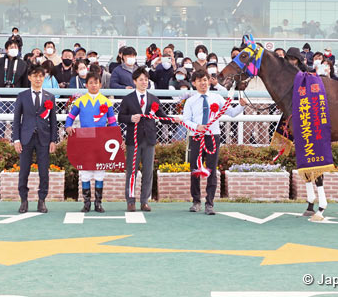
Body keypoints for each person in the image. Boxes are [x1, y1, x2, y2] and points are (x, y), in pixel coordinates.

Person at [183, 70, 247, 215]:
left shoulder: (216, 98)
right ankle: (196, 201)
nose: (203, 83)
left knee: (211, 170)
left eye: (205, 80)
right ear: (194, 83)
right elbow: (185, 120)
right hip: (197, 137)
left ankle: (209, 203)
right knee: (195, 169)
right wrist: (196, 127)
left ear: (209, 81)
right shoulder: (190, 101)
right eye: (199, 80)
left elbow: (231, 112)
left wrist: (242, 106)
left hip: (213, 136)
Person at [118, 66, 177, 212]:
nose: (144, 82)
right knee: (132, 171)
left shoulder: (153, 98)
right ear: (135, 81)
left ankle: (144, 201)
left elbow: (162, 117)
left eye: (146, 80)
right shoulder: (128, 99)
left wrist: (173, 120)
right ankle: (130, 200)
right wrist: (131, 118)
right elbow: (120, 117)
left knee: (148, 171)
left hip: (149, 139)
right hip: (133, 139)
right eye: (141, 80)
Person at [65, 72, 117, 213]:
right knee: (85, 172)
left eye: (96, 82)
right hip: (84, 140)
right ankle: (86, 203)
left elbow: (112, 122)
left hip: (101, 141)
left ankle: (98, 203)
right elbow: (70, 117)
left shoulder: (106, 101)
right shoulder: (80, 101)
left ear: (100, 84)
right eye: (91, 83)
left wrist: (117, 139)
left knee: (100, 171)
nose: (94, 85)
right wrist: (68, 126)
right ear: (86, 84)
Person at [12, 65, 57, 214]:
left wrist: (53, 140)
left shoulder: (49, 97)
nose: (38, 79)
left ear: (44, 78)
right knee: (24, 171)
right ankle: (23, 200)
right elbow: (16, 119)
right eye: (35, 76)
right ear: (29, 77)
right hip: (26, 138)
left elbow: (53, 121)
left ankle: (42, 200)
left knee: (44, 171)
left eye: (41, 76)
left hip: (43, 139)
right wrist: (16, 139)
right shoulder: (22, 96)